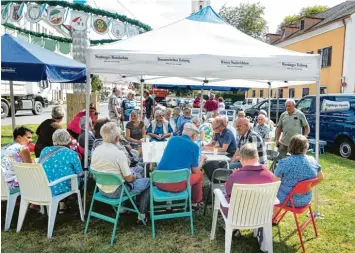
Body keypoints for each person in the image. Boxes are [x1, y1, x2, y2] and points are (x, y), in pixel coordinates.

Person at [91, 122, 150, 223]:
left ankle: (123, 208)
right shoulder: (119, 154)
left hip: (101, 188)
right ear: (117, 138)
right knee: (148, 181)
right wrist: (135, 177)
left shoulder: (96, 150)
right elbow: (129, 178)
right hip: (117, 190)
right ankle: (142, 215)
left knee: (139, 170)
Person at [155, 123, 206, 209]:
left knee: (172, 170)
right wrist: (202, 160)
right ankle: (194, 203)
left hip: (159, 181)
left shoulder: (172, 140)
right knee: (199, 174)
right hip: (176, 186)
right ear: (193, 135)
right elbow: (195, 170)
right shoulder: (194, 147)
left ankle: (169, 202)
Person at [274, 135, 324, 212]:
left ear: (291, 146)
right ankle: (274, 218)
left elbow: (275, 183)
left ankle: (273, 218)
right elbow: (321, 178)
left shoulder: (284, 163)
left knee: (271, 192)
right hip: (306, 199)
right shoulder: (312, 160)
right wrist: (308, 187)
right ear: (306, 147)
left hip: (288, 200)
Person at [39, 129, 83, 213]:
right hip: (62, 186)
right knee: (80, 180)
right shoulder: (72, 154)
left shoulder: (44, 150)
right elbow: (80, 173)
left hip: (46, 185)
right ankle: (74, 206)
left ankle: (62, 205)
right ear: (69, 139)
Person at [223, 144, 274, 216]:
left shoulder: (235, 176)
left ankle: (232, 227)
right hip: (261, 216)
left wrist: (234, 175)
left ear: (242, 158)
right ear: (257, 157)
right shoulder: (270, 176)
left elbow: (228, 191)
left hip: (237, 216)